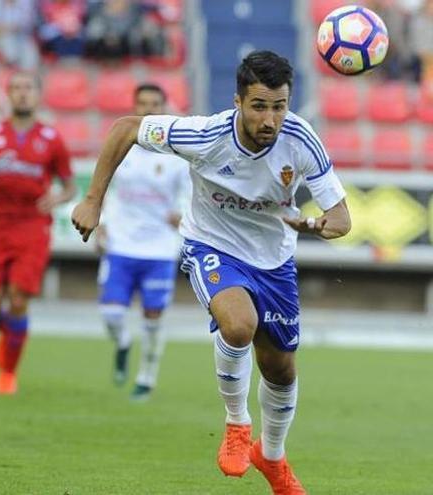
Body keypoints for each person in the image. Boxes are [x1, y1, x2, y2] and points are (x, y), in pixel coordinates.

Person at [71, 51, 351, 494]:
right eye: (259, 105)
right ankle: (237, 424)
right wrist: (92, 201)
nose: (270, 119)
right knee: (238, 326)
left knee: (281, 371)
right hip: (212, 245)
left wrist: (314, 225)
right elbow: (125, 128)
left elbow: (341, 218)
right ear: (237, 101)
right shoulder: (204, 134)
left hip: (274, 260)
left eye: (279, 106)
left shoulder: (300, 139)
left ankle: (272, 457)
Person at [0, 72, 76, 395]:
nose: (22, 94)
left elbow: (70, 186)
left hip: (33, 229)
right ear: (9, 95)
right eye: (16, 88)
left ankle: (7, 374)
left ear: (38, 95)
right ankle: (13, 335)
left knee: (17, 300)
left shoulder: (52, 139)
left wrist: (56, 198)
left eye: (28, 88)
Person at [94, 83, 190, 401]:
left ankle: (146, 377)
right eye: (142, 103)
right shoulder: (122, 146)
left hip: (160, 247)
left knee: (153, 317)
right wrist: (103, 225)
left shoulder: (177, 154)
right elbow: (105, 188)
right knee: (111, 314)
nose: (148, 109)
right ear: (134, 107)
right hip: (121, 243)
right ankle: (122, 343)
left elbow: (190, 193)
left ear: (164, 107)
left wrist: (182, 215)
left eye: (154, 103)